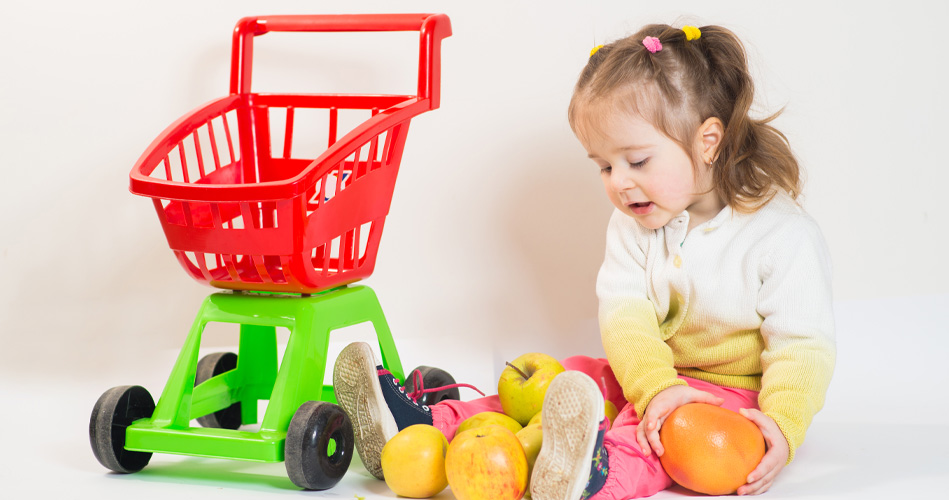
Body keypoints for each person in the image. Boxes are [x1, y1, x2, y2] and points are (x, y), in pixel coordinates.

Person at [332, 22, 835, 499]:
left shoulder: (780, 234)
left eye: (636, 162)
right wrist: (656, 387)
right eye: (604, 166)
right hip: (651, 374)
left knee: (668, 436)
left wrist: (783, 425)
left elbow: (802, 347)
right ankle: (424, 428)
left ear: (708, 142)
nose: (619, 181)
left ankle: (595, 473)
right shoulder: (635, 224)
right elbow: (626, 316)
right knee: (571, 376)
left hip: (732, 401)